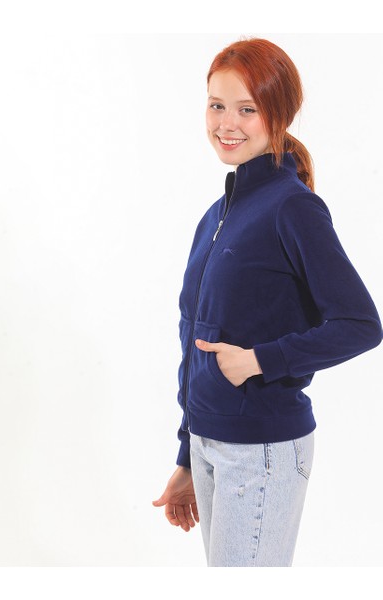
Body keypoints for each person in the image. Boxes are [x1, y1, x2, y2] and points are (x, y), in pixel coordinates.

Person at [152, 37, 382, 567]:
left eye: (247, 109)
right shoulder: (217, 215)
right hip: (209, 446)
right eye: (217, 105)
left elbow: (361, 323)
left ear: (279, 114)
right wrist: (188, 452)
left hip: (261, 451)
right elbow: (193, 336)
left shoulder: (293, 207)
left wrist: (260, 360)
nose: (226, 123)